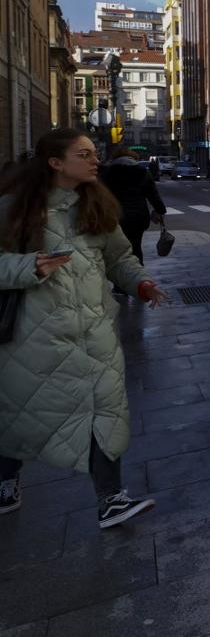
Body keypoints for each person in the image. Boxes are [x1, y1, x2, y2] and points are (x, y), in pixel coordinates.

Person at [0, 128, 169, 527]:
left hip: (95, 331)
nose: (96, 160)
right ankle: (6, 479)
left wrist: (140, 283)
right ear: (56, 162)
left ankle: (111, 497)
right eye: (85, 154)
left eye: (95, 153)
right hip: (33, 337)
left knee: (106, 411)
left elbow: (119, 257)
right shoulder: (12, 208)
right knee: (21, 411)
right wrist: (29, 266)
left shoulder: (96, 204)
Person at [101, 146, 167, 265]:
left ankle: (121, 279)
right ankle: (138, 277)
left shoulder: (107, 173)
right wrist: (160, 211)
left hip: (116, 217)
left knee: (118, 250)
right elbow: (153, 196)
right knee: (136, 247)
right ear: (133, 158)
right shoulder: (142, 172)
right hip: (138, 218)